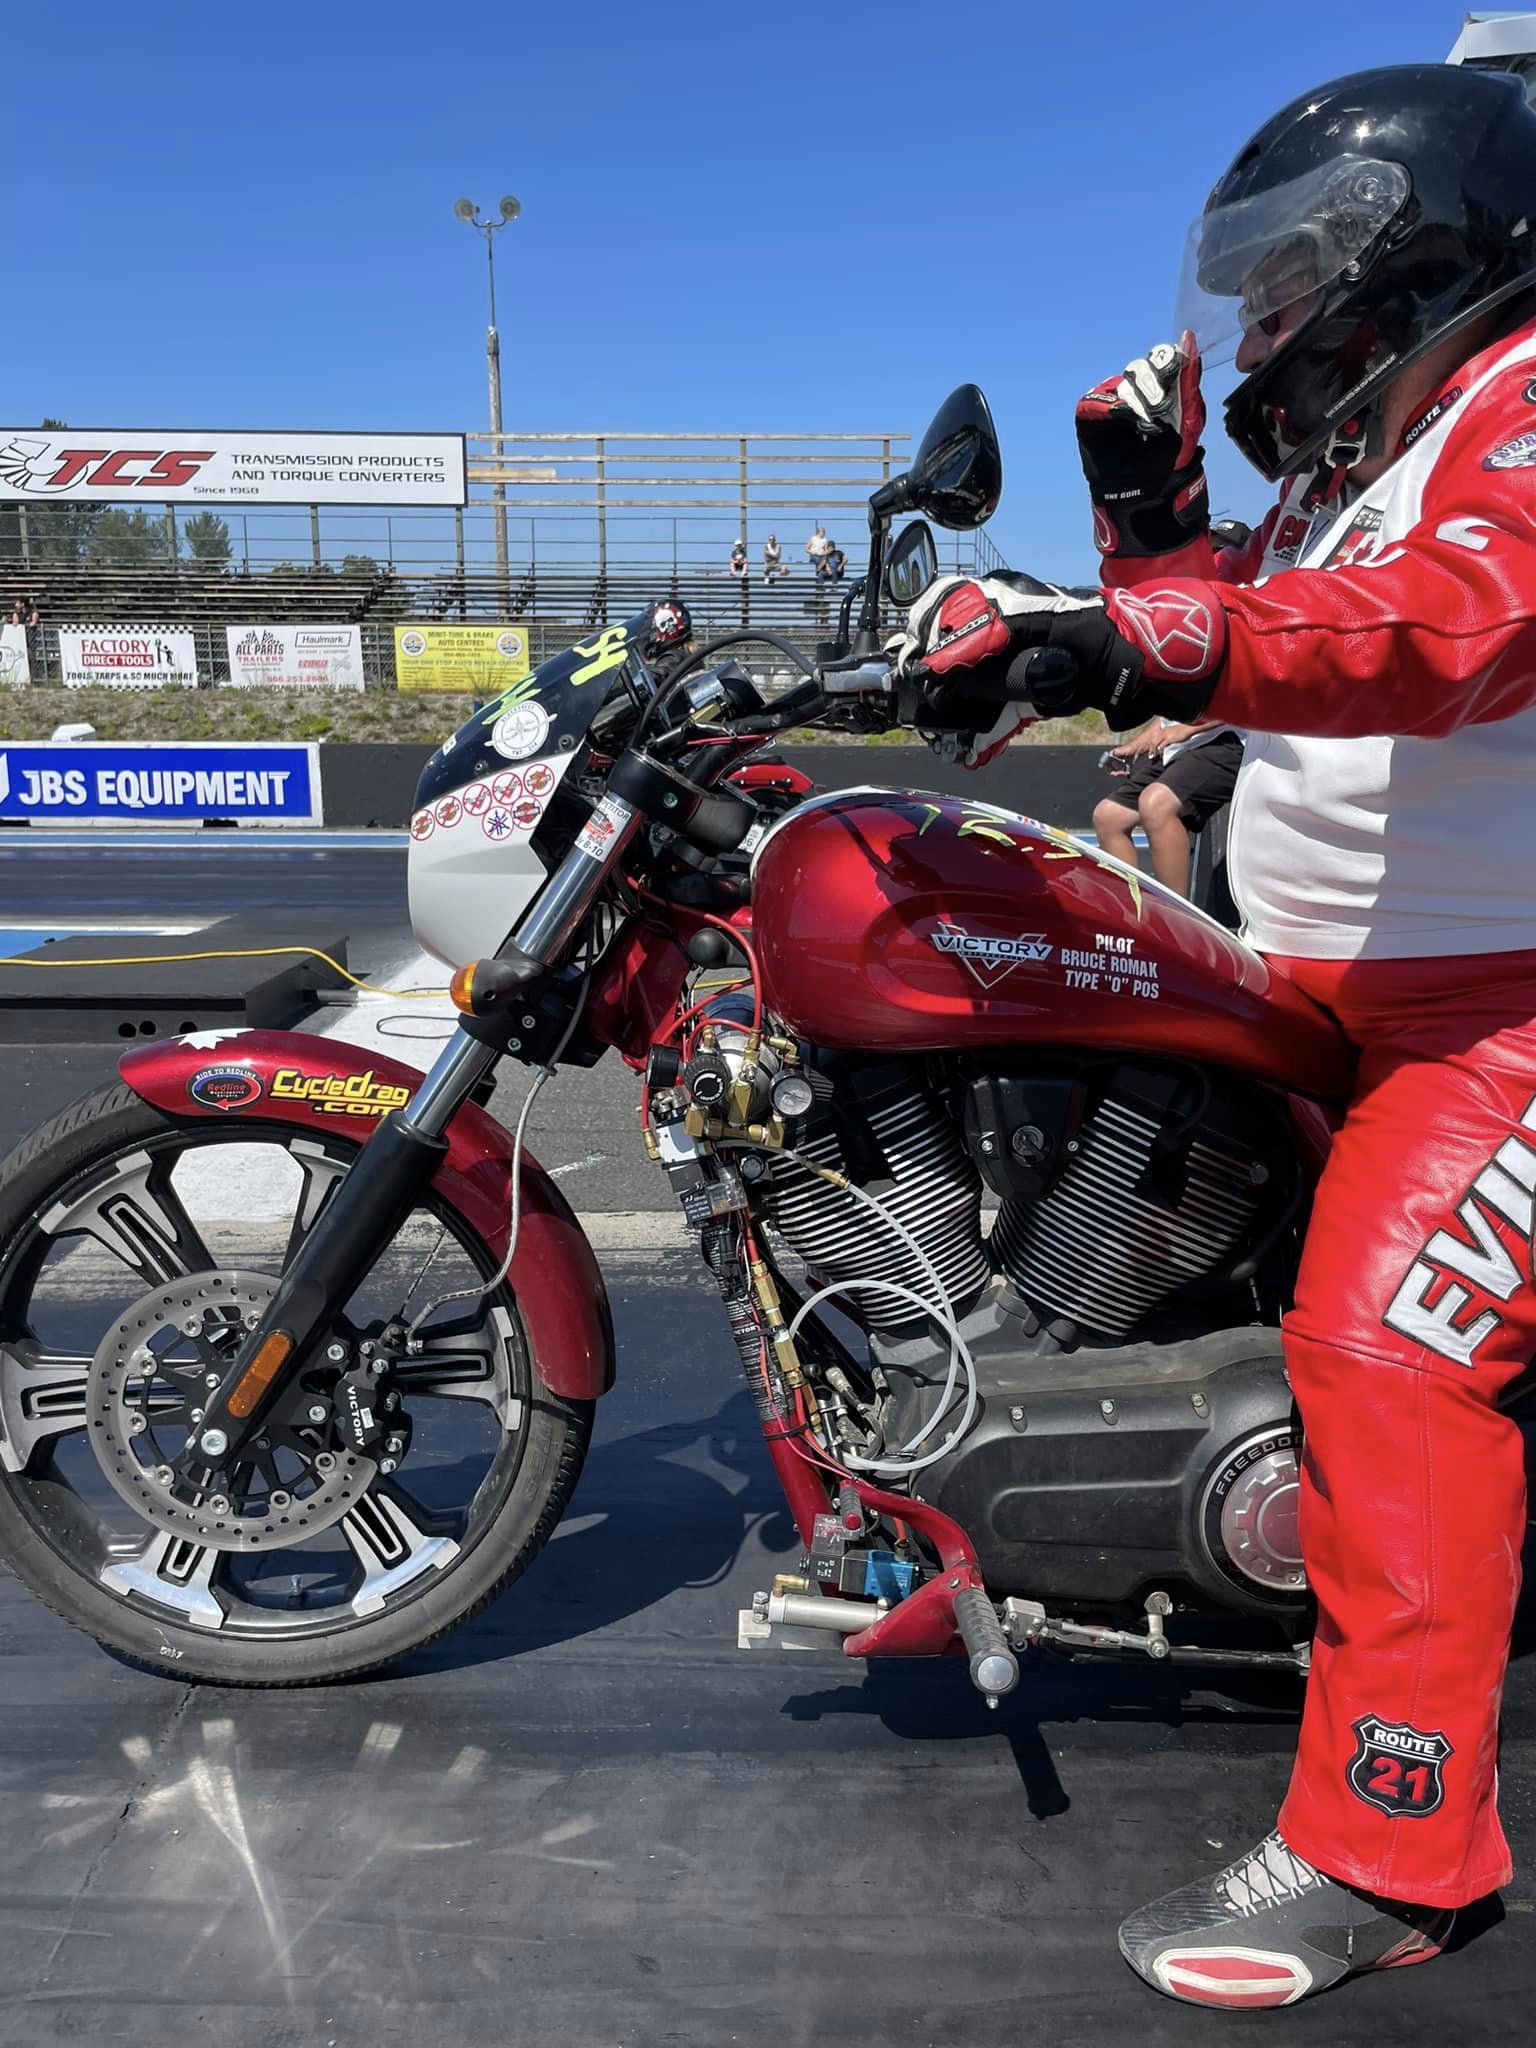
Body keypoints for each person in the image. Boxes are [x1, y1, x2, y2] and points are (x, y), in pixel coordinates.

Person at [894, 63, 1536, 2009]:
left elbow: (1457, 629)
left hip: (1505, 1008)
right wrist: (1149, 537)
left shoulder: (1523, 407)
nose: (1263, 328)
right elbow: (1252, 636)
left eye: (1296, 281)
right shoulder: (1376, 454)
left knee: (1383, 1348)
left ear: (1416, 252)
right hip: (1335, 982)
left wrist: (1141, 633)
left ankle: (1394, 1852)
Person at [1091, 716, 1242, 896]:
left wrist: (1188, 728)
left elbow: (1246, 702)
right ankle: (1133, 913)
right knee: (1108, 817)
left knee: (1157, 805)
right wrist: (1138, 744)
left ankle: (1176, 918)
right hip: (1182, 748)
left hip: (1230, 740)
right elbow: (1168, 716)